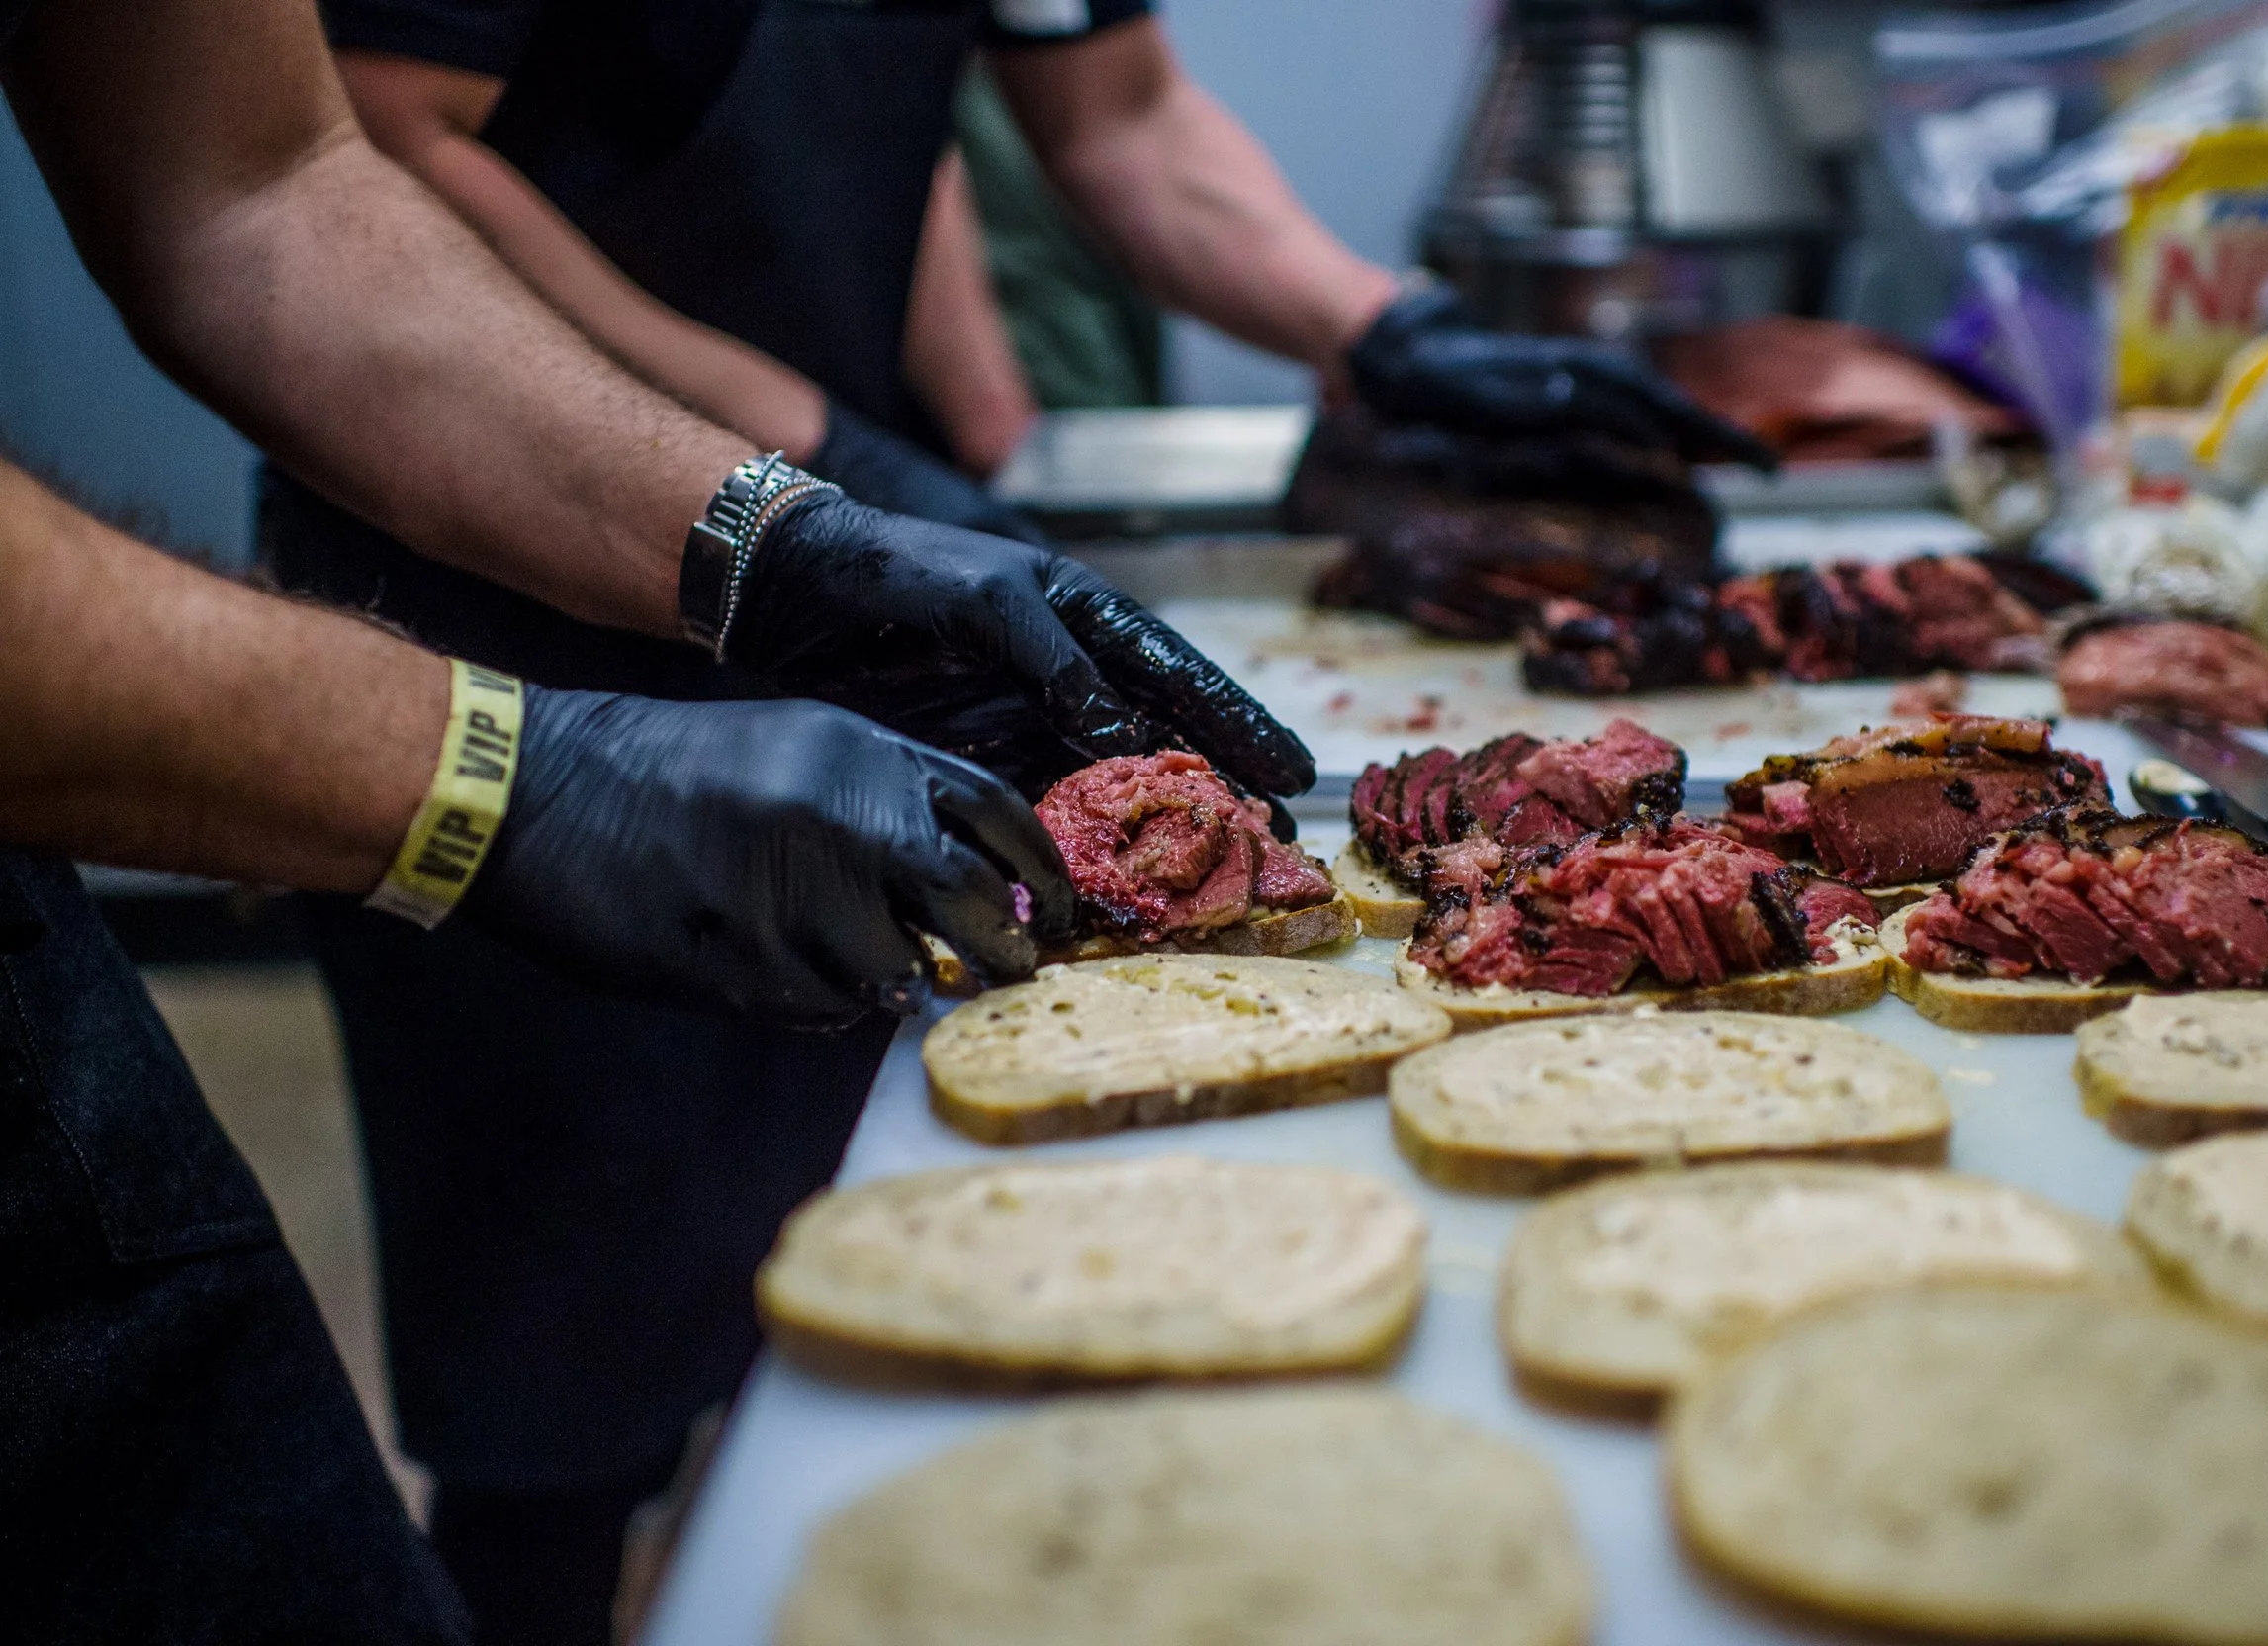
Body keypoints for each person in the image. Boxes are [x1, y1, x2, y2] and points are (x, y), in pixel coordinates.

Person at [266, 6, 1769, 1637]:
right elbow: (382, 137)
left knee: (836, 1192)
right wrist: (797, 449)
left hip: (820, 547)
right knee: (565, 1324)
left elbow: (1119, 118)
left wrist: (1377, 322)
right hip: (491, 582)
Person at [0, 0, 1312, 1635]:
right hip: (392, 669)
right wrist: (500, 767)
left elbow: (260, 194)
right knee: (552, 1348)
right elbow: (399, 120)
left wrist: (773, 536)